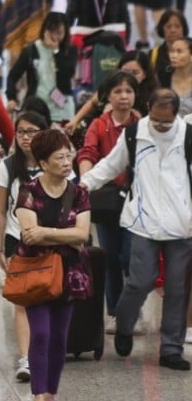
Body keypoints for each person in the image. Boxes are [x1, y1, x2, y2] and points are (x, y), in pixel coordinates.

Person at [83, 88, 192, 370]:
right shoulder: (134, 133)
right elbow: (110, 165)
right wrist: (84, 184)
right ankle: (125, 324)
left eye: (166, 122)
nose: (160, 126)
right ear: (148, 109)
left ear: (176, 115)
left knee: (177, 289)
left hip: (182, 224)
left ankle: (171, 349)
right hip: (142, 221)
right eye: (156, 120)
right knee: (139, 281)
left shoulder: (188, 135)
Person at [17, 129, 92, 400]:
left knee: (60, 338)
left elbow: (82, 235)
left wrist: (47, 233)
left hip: (70, 273)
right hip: (36, 272)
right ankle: (40, 394)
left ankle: (51, 392)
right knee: (41, 333)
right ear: (43, 163)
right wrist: (66, 236)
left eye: (67, 155)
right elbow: (29, 234)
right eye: (59, 158)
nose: (66, 161)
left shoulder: (79, 193)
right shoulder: (28, 192)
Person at [75, 70, 139, 334]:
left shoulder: (142, 124)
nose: (123, 97)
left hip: (137, 200)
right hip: (108, 201)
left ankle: (132, 307)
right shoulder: (99, 125)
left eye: (128, 91)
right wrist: (86, 183)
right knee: (111, 257)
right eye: (118, 91)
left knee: (131, 256)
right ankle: (114, 312)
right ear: (108, 97)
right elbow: (87, 153)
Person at [0, 111, 47, 382]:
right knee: (22, 301)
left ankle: (45, 350)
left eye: (33, 131)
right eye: (22, 131)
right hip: (18, 239)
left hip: (51, 239)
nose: (26, 137)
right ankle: (25, 358)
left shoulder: (55, 162)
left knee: (48, 298)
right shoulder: (8, 166)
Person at [5, 12, 77, 122]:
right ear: (44, 29)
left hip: (62, 108)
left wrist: (56, 52)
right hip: (37, 108)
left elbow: (67, 74)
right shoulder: (31, 51)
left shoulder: (69, 50)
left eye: (59, 33)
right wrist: (11, 97)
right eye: (51, 31)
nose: (55, 37)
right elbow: (13, 75)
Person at [151, 9, 189, 85]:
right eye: (168, 27)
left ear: (183, 29)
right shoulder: (153, 55)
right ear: (162, 29)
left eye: (177, 26)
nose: (173, 30)